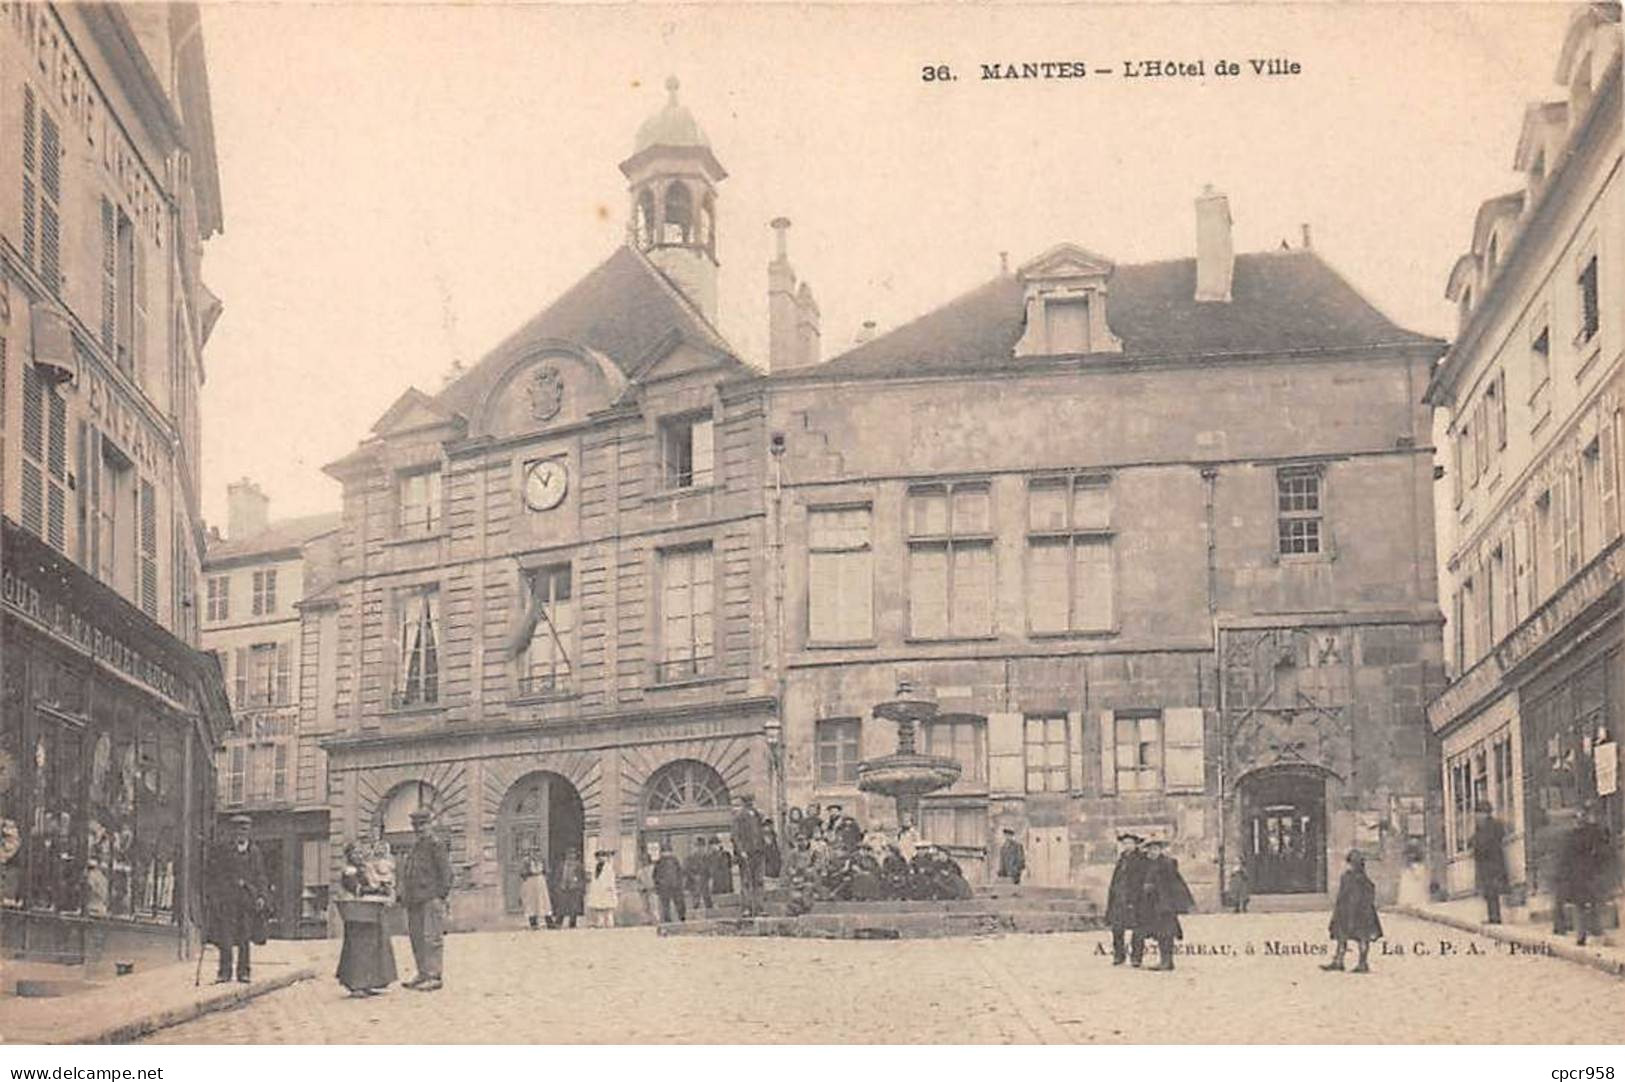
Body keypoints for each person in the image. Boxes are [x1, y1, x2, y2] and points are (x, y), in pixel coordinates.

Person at [204, 814, 268, 984]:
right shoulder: (224, 850)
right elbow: (216, 874)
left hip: (247, 900)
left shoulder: (254, 852)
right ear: (233, 832)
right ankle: (224, 972)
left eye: (245, 829)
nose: (241, 833)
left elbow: (260, 875)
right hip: (228, 899)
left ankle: (244, 972)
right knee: (226, 936)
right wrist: (216, 895)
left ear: (249, 832)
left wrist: (261, 895)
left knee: (245, 936)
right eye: (238, 830)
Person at [399, 809, 451, 991]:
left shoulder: (436, 845)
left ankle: (434, 976)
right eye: (415, 826)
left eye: (422, 825)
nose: (419, 829)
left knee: (432, 938)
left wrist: (440, 896)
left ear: (430, 824)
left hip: (430, 897)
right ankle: (422, 973)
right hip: (414, 900)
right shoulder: (416, 846)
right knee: (417, 938)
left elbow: (446, 873)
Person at [336, 841, 398, 996]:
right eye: (354, 853)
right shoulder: (349, 871)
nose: (358, 856)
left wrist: (383, 888)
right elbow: (355, 888)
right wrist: (375, 889)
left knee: (372, 947)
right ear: (349, 856)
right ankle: (356, 984)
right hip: (356, 912)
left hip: (369, 910)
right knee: (358, 948)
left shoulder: (366, 869)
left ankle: (369, 982)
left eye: (360, 852)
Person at [1554, 804, 1610, 945]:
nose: (1580, 820)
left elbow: (1602, 850)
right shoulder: (1578, 835)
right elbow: (1565, 857)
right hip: (1581, 874)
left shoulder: (1588, 833)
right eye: (1578, 817)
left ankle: (1590, 933)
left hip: (1587, 874)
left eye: (1582, 816)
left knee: (1589, 904)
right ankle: (1584, 934)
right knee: (1583, 905)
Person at [1136, 839, 1194, 972]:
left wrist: (1174, 902)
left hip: (1165, 904)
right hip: (1153, 904)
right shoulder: (1147, 864)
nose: (1153, 852)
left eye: (1155, 849)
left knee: (1167, 933)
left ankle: (1167, 962)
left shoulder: (1167, 864)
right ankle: (1165, 961)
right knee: (1159, 933)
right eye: (1150, 849)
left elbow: (1175, 884)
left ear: (1160, 850)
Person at [1323, 849, 1383, 973]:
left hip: (1349, 912)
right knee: (1360, 937)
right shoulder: (1365, 880)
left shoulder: (1348, 878)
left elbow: (1342, 896)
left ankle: (1344, 962)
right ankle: (1358, 962)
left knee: (1345, 937)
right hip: (1361, 913)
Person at [1105, 833, 1148, 966]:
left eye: (1130, 843)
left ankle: (1136, 957)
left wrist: (1137, 897)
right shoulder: (1121, 860)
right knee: (1117, 928)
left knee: (1138, 929)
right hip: (1119, 899)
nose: (1127, 846)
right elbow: (1115, 881)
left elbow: (1142, 881)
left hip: (1136, 899)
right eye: (1125, 843)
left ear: (1136, 844)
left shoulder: (1141, 860)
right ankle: (1119, 956)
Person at [1469, 804, 1509, 924]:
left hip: (1492, 862)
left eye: (1479, 813)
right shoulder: (1483, 826)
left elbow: (1485, 842)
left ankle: (1495, 917)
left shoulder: (1492, 826)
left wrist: (1476, 845)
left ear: (1485, 814)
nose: (1477, 816)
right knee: (1488, 891)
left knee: (1492, 890)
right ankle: (1492, 916)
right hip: (1487, 862)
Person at [732, 796, 768, 917]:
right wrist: (741, 851)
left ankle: (760, 908)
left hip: (758, 852)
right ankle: (746, 908)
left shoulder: (758, 815)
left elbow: (764, 831)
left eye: (752, 801)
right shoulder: (739, 817)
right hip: (747, 854)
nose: (750, 803)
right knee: (746, 882)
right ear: (743, 802)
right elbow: (735, 836)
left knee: (759, 881)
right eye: (748, 802)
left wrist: (764, 846)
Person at [550, 848, 586, 929]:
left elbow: (582, 877)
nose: (571, 856)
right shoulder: (561, 865)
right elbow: (557, 876)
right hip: (563, 887)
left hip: (574, 888)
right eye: (569, 854)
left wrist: (581, 887)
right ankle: (559, 922)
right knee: (561, 906)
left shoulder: (579, 865)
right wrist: (556, 886)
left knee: (574, 907)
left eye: (573, 854)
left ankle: (572, 923)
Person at [652, 840, 687, 922]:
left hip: (666, 887)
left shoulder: (660, 862)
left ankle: (670, 919)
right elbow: (680, 873)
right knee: (677, 902)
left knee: (666, 905)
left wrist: (658, 885)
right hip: (674, 886)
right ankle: (681, 917)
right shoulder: (674, 861)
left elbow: (655, 876)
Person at [518, 850, 552, 930]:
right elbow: (522, 872)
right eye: (534, 852)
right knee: (531, 901)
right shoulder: (526, 861)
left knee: (543, 900)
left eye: (537, 852)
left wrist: (545, 875)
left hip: (540, 880)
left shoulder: (542, 860)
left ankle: (548, 921)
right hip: (531, 880)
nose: (536, 854)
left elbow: (546, 870)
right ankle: (533, 922)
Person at [586, 849, 618, 928]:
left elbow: (611, 878)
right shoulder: (595, 867)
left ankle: (610, 924)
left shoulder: (608, 867)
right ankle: (600, 923)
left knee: (608, 909)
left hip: (607, 889)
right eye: (599, 857)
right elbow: (593, 878)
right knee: (599, 908)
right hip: (598, 889)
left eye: (603, 856)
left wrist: (610, 887)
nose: (601, 858)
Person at [685, 836, 715, 912]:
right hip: (694, 884)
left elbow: (711, 870)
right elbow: (686, 870)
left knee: (708, 901)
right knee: (695, 902)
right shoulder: (690, 858)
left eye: (702, 846)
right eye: (698, 846)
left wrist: (710, 879)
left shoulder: (708, 858)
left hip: (705, 883)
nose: (700, 849)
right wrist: (694, 877)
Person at [634, 843, 658, 924]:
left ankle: (656, 921)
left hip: (653, 890)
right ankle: (647, 920)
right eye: (643, 860)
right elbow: (638, 882)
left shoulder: (654, 869)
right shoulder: (640, 871)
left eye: (646, 860)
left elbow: (657, 879)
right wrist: (640, 888)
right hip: (644, 892)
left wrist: (655, 887)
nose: (644, 862)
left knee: (654, 907)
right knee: (645, 907)